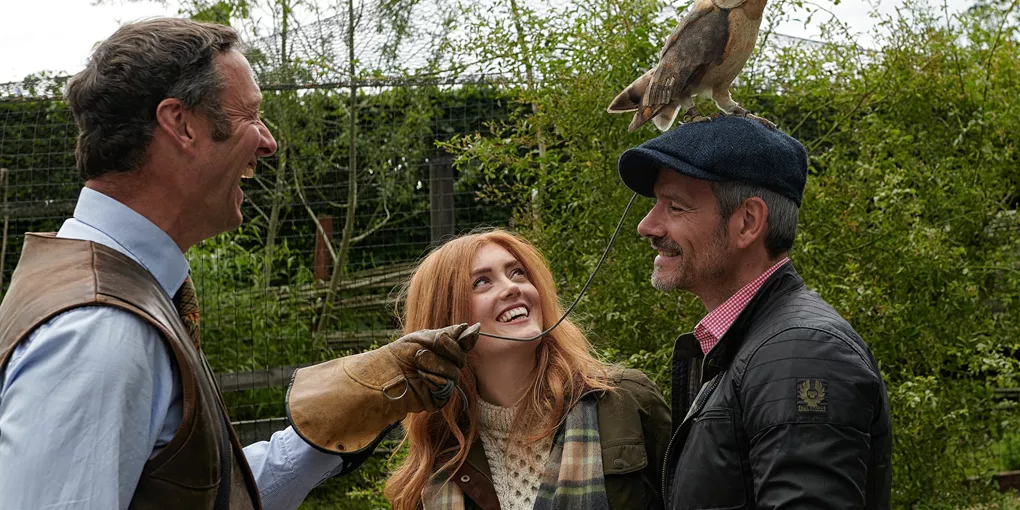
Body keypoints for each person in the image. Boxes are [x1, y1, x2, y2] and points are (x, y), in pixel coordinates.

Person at [0, 17, 476, 510]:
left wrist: (331, 427)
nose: (268, 142)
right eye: (250, 115)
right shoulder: (99, 332)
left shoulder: (111, 287)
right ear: (181, 124)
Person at [617, 116, 893, 509]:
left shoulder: (802, 352)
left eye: (675, 207)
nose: (647, 226)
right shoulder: (756, 345)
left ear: (747, 222)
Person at [383, 229, 672, 510]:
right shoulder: (434, 469)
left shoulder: (627, 401)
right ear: (445, 320)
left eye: (517, 272)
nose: (512, 287)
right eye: (482, 282)